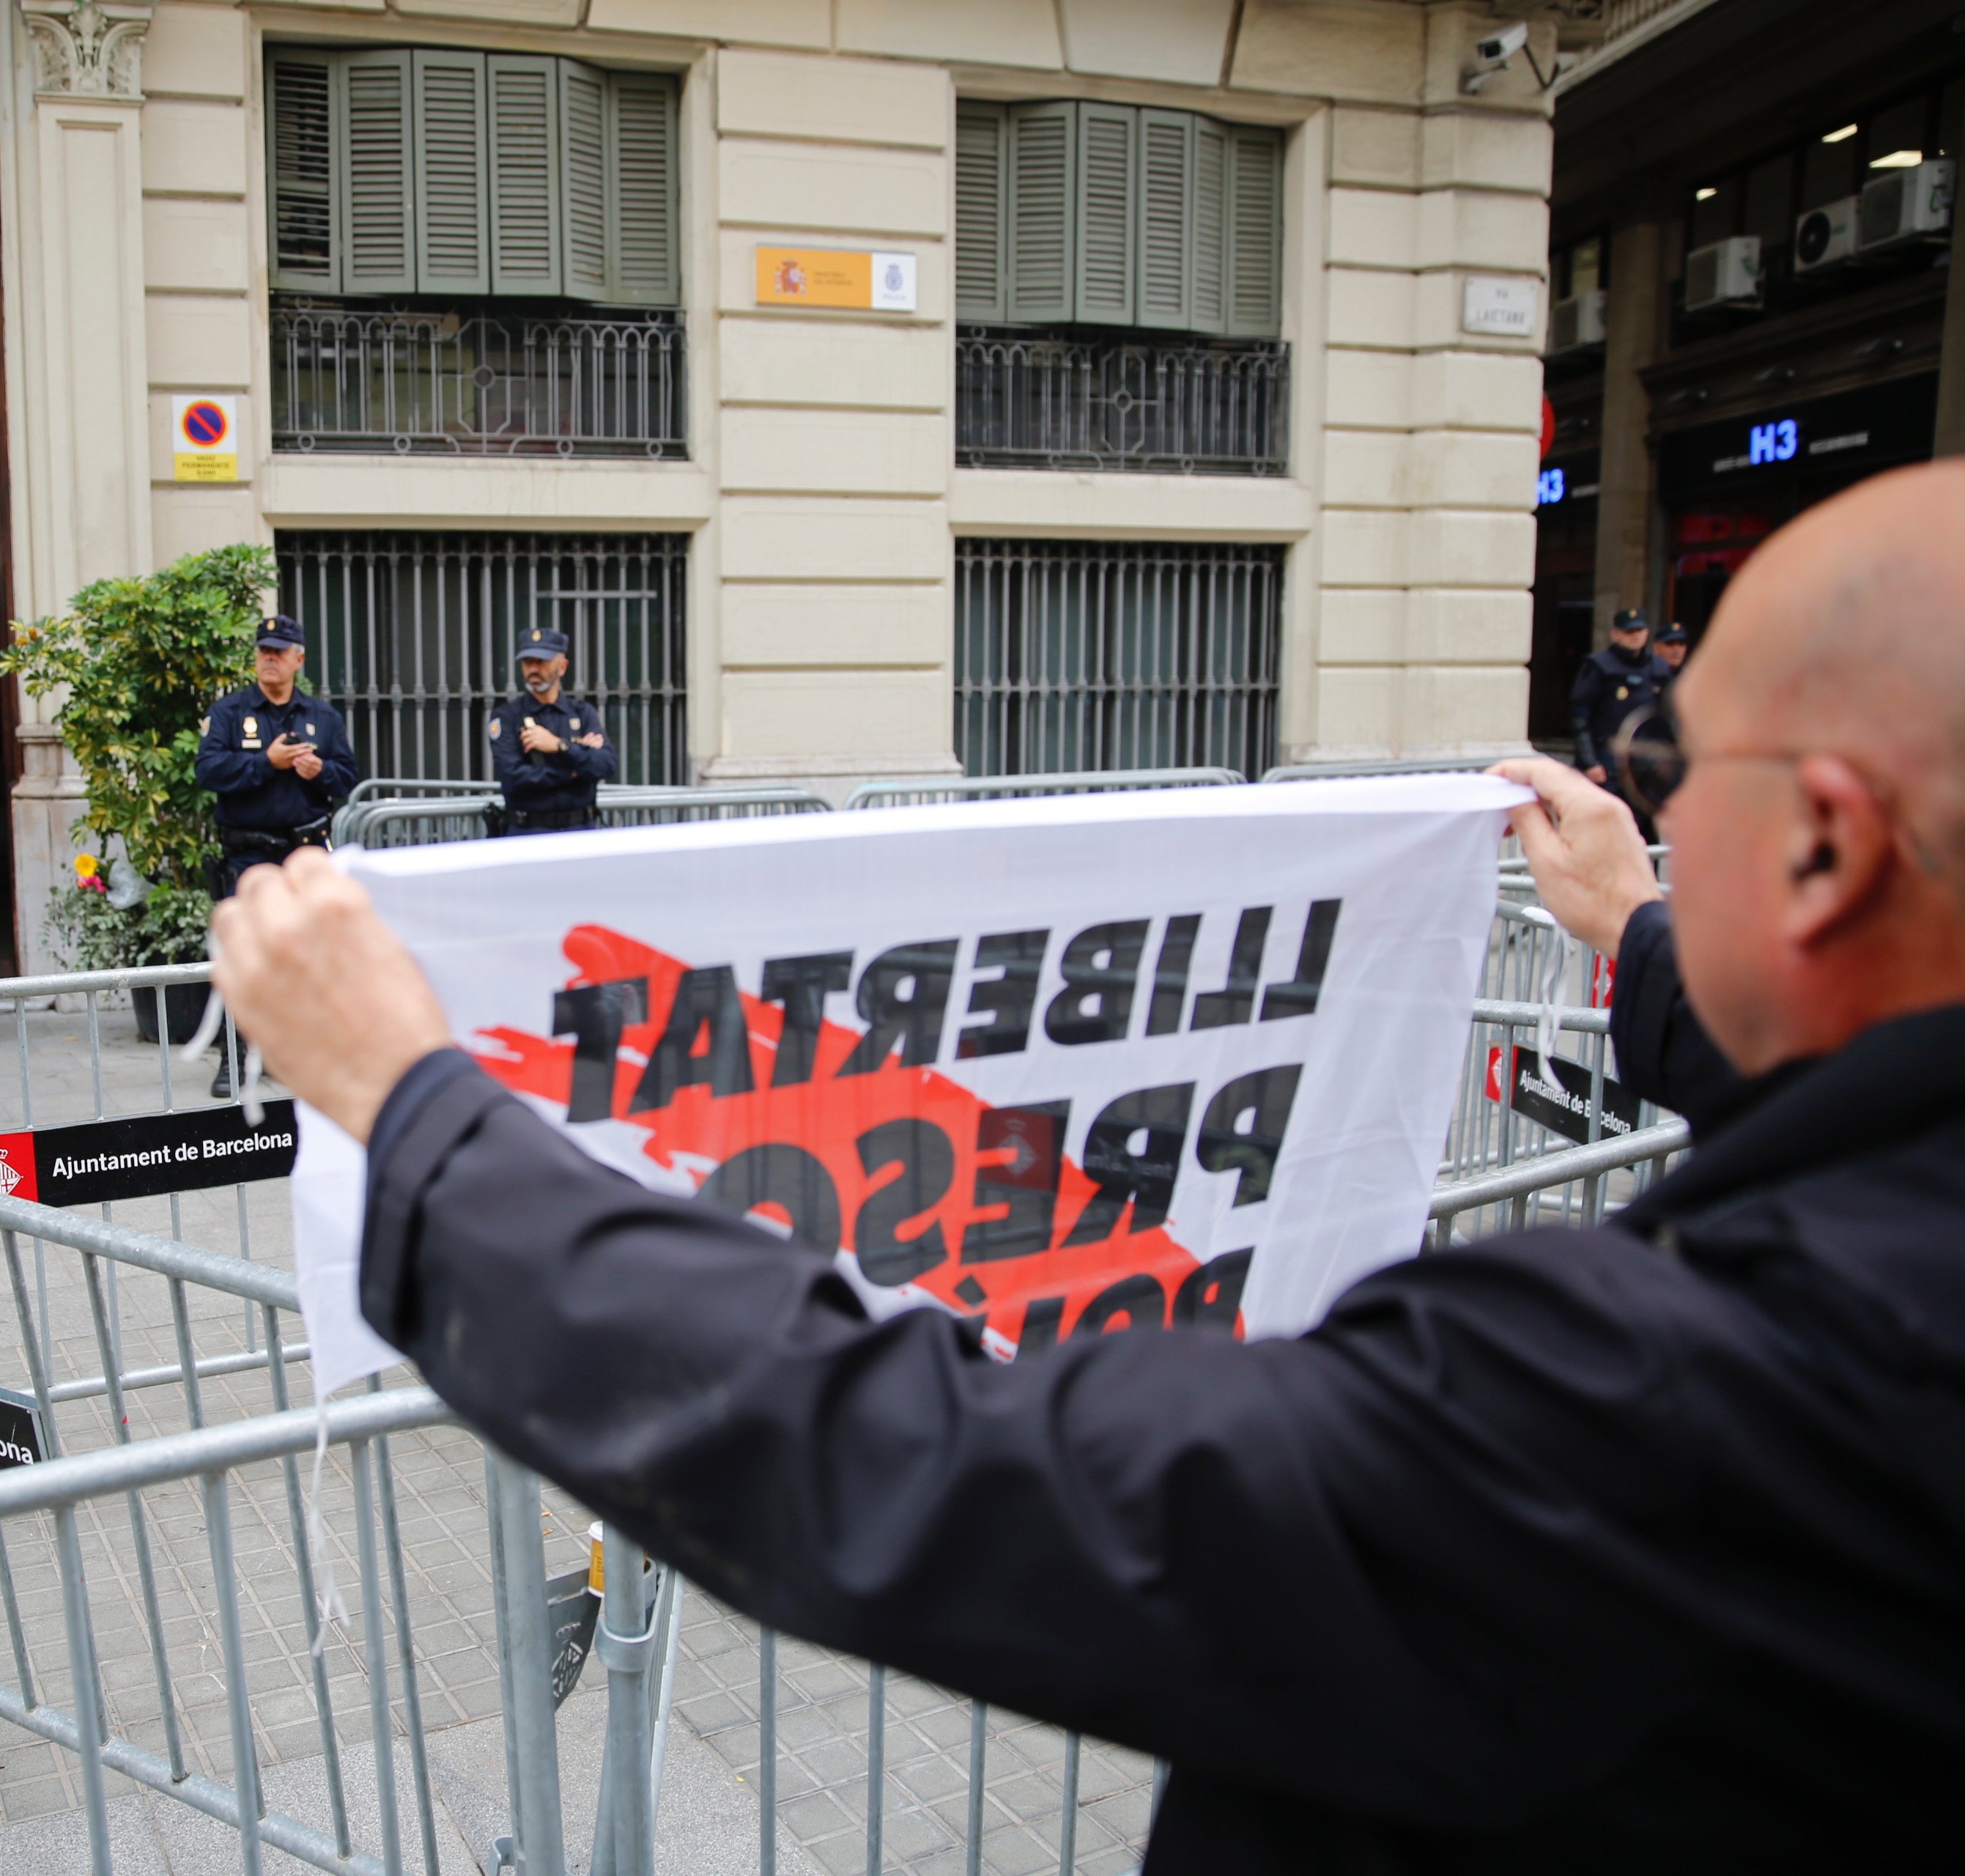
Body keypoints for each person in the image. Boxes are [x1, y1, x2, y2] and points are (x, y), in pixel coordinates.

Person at [210, 459, 1965, 1869]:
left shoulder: (1648, 1403)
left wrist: (418, 1103)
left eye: (1668, 759)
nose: (1635, 796)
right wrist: (1645, 940)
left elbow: (928, 1457)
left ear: (1818, 839)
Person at [193, 613, 357, 1098]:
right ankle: (233, 1057)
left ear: (298, 659)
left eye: (279, 652)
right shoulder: (229, 712)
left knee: (309, 955)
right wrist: (266, 762)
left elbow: (347, 778)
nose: (269, 659)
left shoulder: (323, 717)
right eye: (263, 650)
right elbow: (210, 771)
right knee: (242, 953)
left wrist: (318, 771)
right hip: (248, 853)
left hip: (305, 855)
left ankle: (301, 1053)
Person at [486, 625, 617, 835]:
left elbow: (606, 765)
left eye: (542, 662)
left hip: (580, 832)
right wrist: (574, 771)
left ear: (562, 667)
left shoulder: (582, 714)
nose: (533, 669)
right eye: (528, 662)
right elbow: (515, 779)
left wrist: (559, 745)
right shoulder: (507, 717)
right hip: (528, 832)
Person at [1567, 605, 1665, 785]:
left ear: (1647, 632)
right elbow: (1580, 719)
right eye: (1629, 631)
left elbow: (1668, 717)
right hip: (1607, 761)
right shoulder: (1599, 666)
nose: (1635, 636)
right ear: (1616, 634)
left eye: (1640, 630)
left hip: (1646, 763)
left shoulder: (1659, 668)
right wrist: (1590, 763)